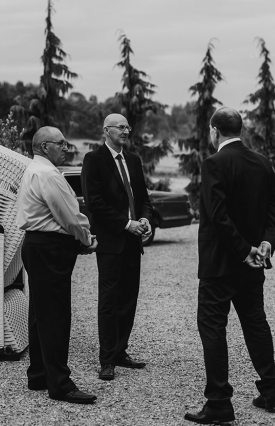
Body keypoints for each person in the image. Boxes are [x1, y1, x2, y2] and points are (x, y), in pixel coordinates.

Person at [184, 107, 275, 424]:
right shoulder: (262, 162)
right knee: (255, 323)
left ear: (215, 130)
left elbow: (217, 215)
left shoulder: (214, 163)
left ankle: (218, 403)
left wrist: (245, 250)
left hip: (221, 264)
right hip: (253, 263)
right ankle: (269, 391)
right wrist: (267, 242)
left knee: (212, 328)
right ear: (240, 129)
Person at [15, 126, 99, 404]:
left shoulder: (32, 169)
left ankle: (39, 374)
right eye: (60, 143)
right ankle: (61, 384)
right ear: (44, 147)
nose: (66, 147)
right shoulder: (49, 174)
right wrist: (86, 239)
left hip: (36, 244)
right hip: (50, 248)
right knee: (55, 316)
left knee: (40, 312)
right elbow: (70, 216)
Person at [80, 113, 153, 382]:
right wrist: (126, 224)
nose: (126, 131)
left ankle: (121, 351)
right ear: (106, 130)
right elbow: (94, 203)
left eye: (127, 127)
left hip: (133, 242)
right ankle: (107, 359)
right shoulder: (94, 159)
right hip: (112, 242)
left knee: (128, 299)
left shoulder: (133, 160)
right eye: (120, 127)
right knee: (109, 302)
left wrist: (145, 219)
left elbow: (143, 198)